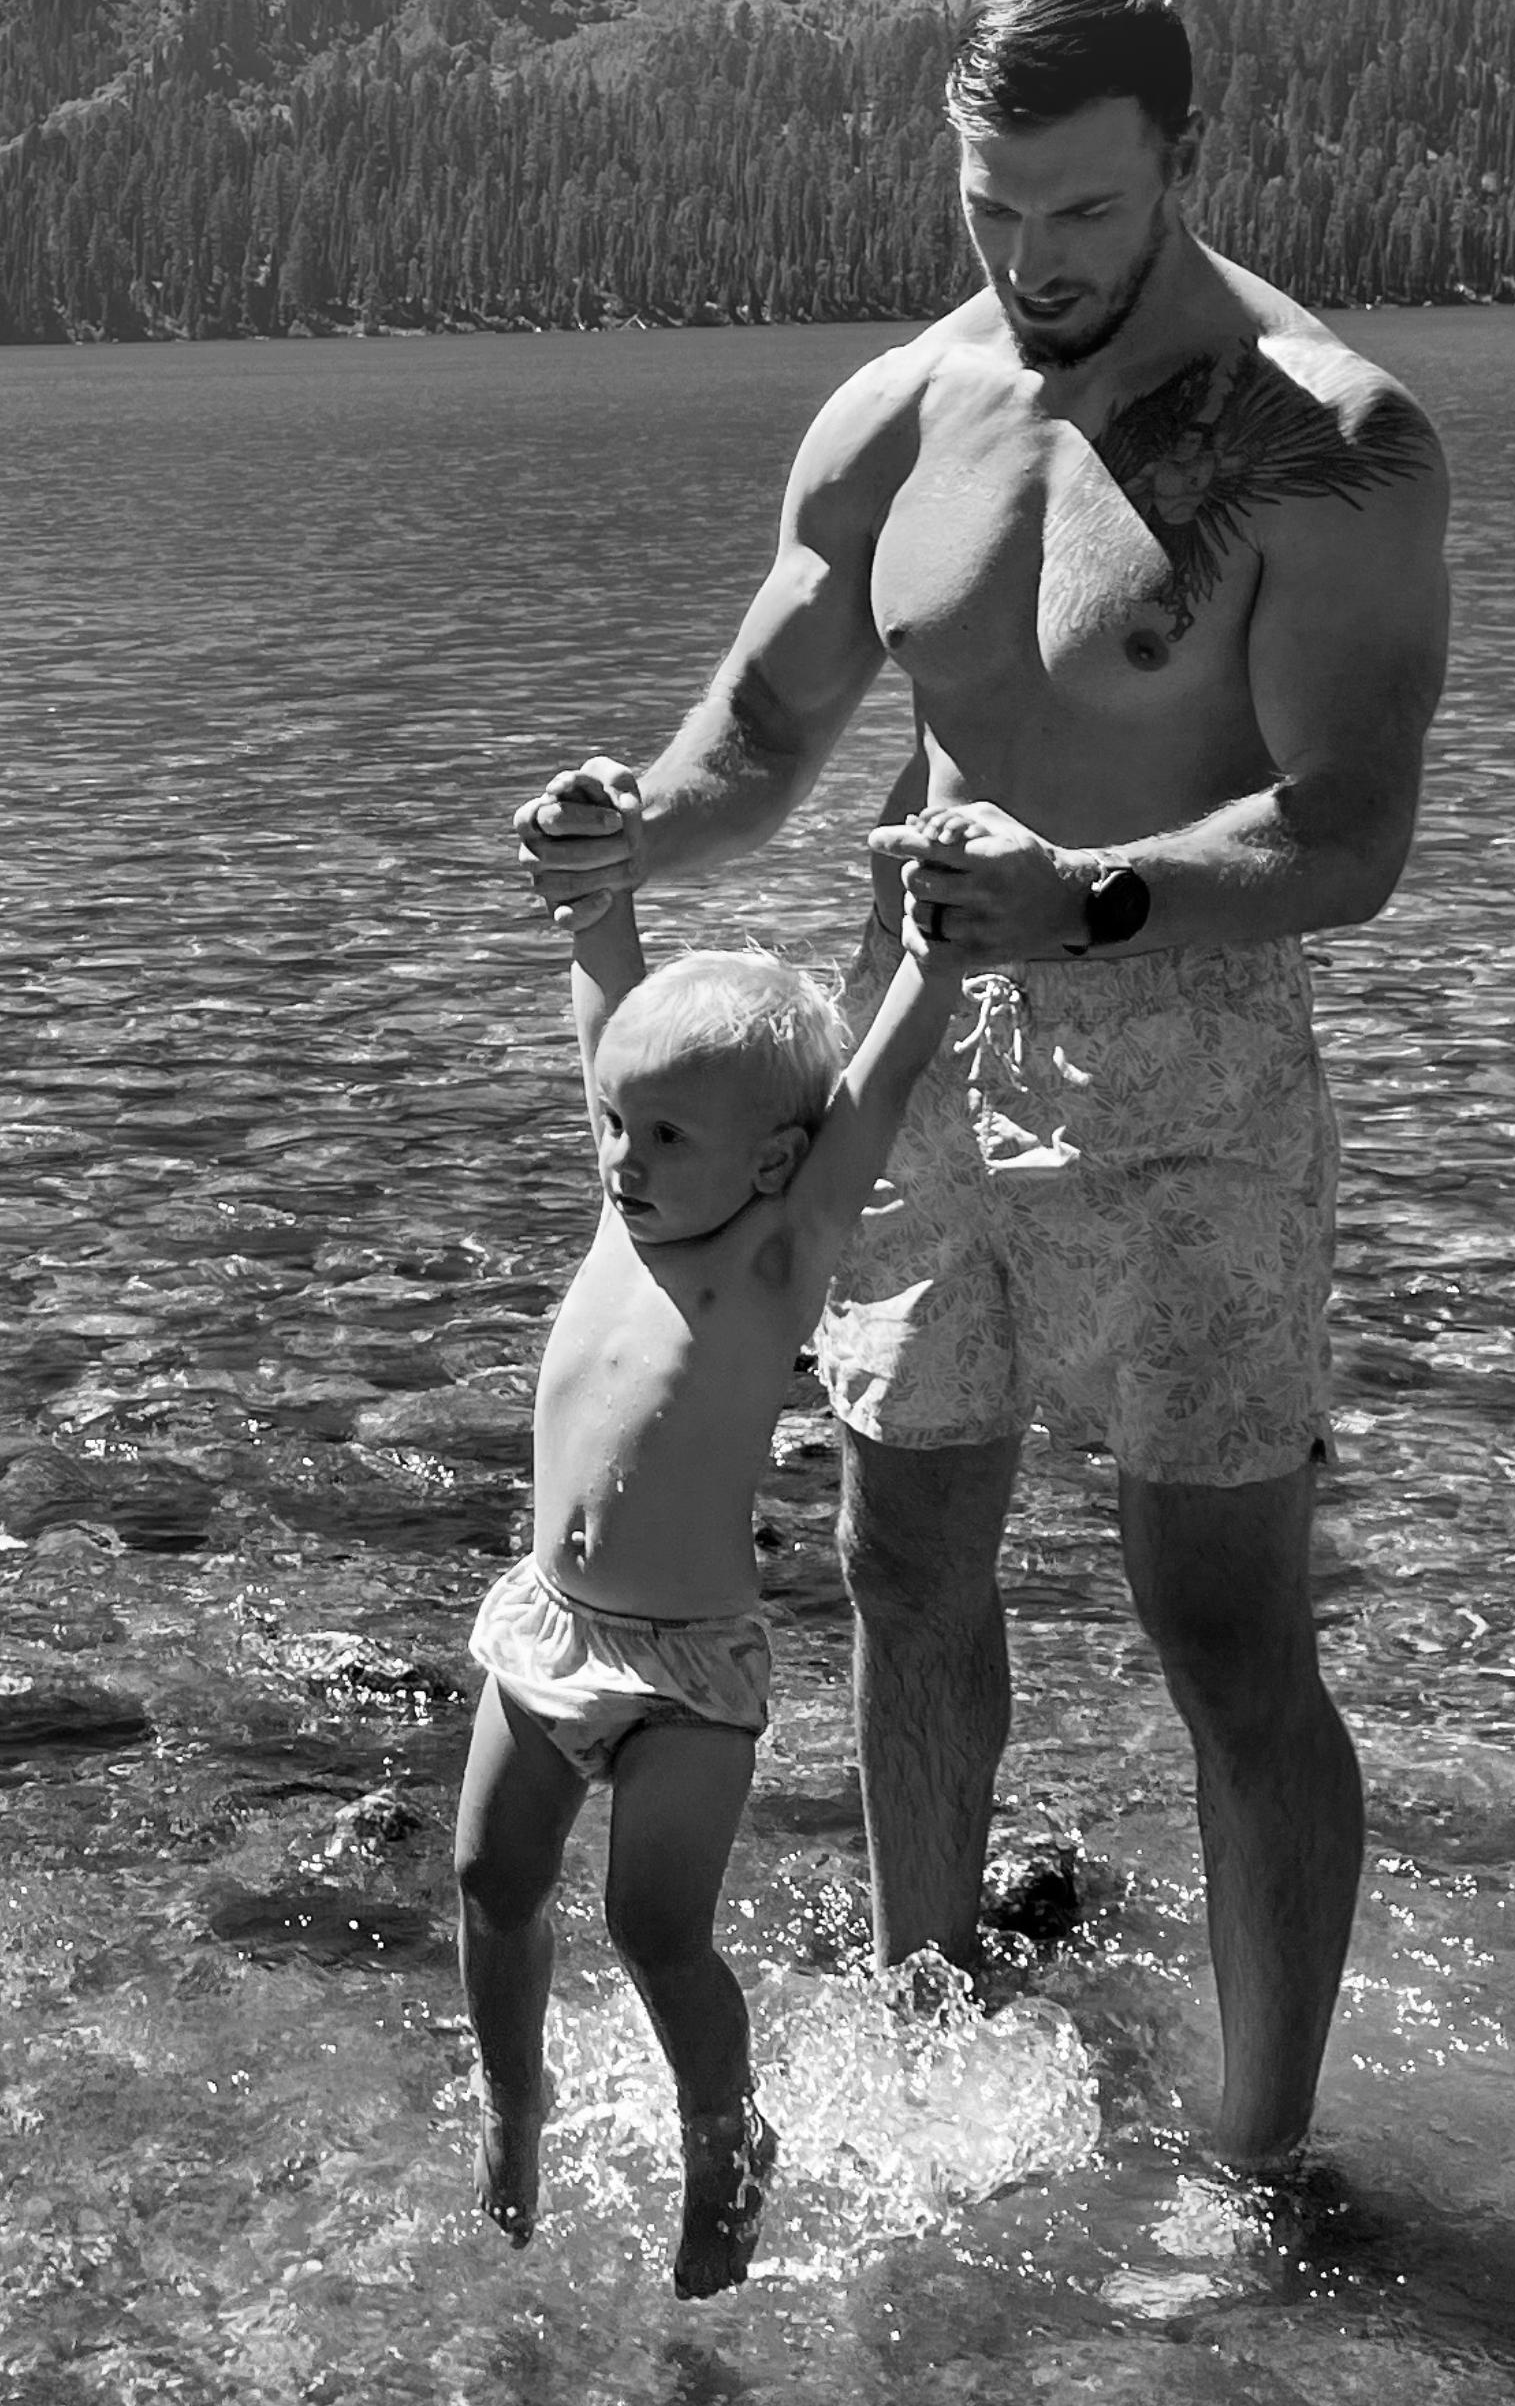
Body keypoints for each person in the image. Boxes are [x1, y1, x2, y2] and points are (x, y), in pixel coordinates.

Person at [516, 0, 1451, 2172]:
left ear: (1183, 169)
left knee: (1220, 1631)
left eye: (1087, 219)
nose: (1036, 266)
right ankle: (929, 2030)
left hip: (1189, 1074)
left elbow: (1352, 834)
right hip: (921, 1040)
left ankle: (1261, 2160)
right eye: (997, 212)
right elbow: (761, 735)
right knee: (901, 1561)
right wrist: (631, 818)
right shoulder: (899, 414)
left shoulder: (1327, 435)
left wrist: (1092, 896)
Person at [456, 762, 966, 2291]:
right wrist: (595, 880)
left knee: (655, 1932)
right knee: (488, 1879)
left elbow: (867, 1103)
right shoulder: (625, 1212)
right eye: (616, 1123)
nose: (623, 1157)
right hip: (547, 1630)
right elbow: (607, 995)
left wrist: (934, 960)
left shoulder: (770, 1258)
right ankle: (512, 2102)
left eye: (667, 1137)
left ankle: (723, 2146)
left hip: (683, 1670)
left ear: (766, 1163)